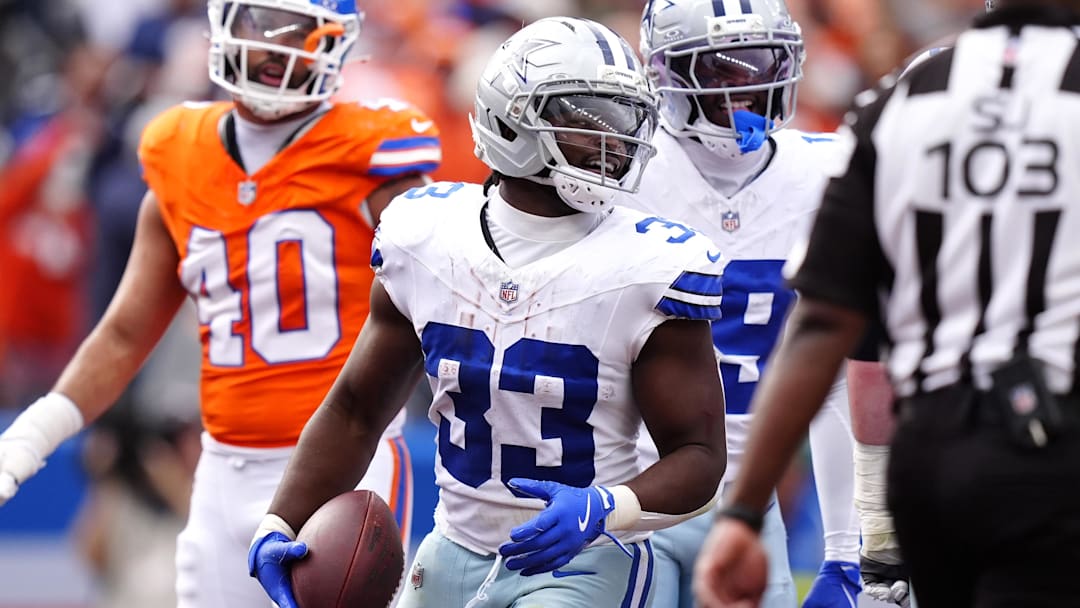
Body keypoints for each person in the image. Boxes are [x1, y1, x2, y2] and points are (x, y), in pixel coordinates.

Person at [247, 16, 728, 608]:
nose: (615, 139)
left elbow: (701, 457)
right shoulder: (425, 237)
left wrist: (608, 506)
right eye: (586, 116)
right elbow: (356, 409)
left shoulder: (649, 264)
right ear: (510, 120)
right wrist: (282, 521)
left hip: (583, 561)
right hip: (451, 549)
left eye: (625, 118)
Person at [0, 1, 441, 606]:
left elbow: (442, 302)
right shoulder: (179, 149)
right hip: (220, 468)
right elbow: (127, 332)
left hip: (344, 466)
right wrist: (31, 434)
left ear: (336, 42)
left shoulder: (375, 151)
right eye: (257, 22)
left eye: (292, 29)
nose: (270, 47)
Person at [693, 1, 1080, 606]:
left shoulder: (902, 97)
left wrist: (744, 511)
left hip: (932, 452)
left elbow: (827, 321)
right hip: (1058, 441)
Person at [630, 1, 875, 606]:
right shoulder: (620, 173)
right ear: (663, 72)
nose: (746, 84)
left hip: (747, 501)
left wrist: (846, 553)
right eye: (718, 70)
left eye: (762, 63)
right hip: (622, 496)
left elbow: (843, 375)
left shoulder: (826, 170)